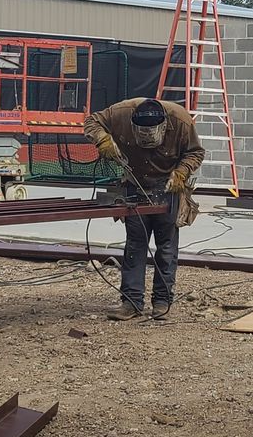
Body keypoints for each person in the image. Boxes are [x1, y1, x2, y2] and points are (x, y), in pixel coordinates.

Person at [84, 96, 205, 320]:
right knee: (135, 245)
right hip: (134, 183)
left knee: (166, 248)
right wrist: (103, 140)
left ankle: (161, 301)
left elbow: (196, 152)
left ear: (163, 126)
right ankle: (131, 302)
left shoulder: (180, 121)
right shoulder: (119, 113)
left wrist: (181, 172)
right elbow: (91, 122)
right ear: (133, 124)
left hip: (168, 186)